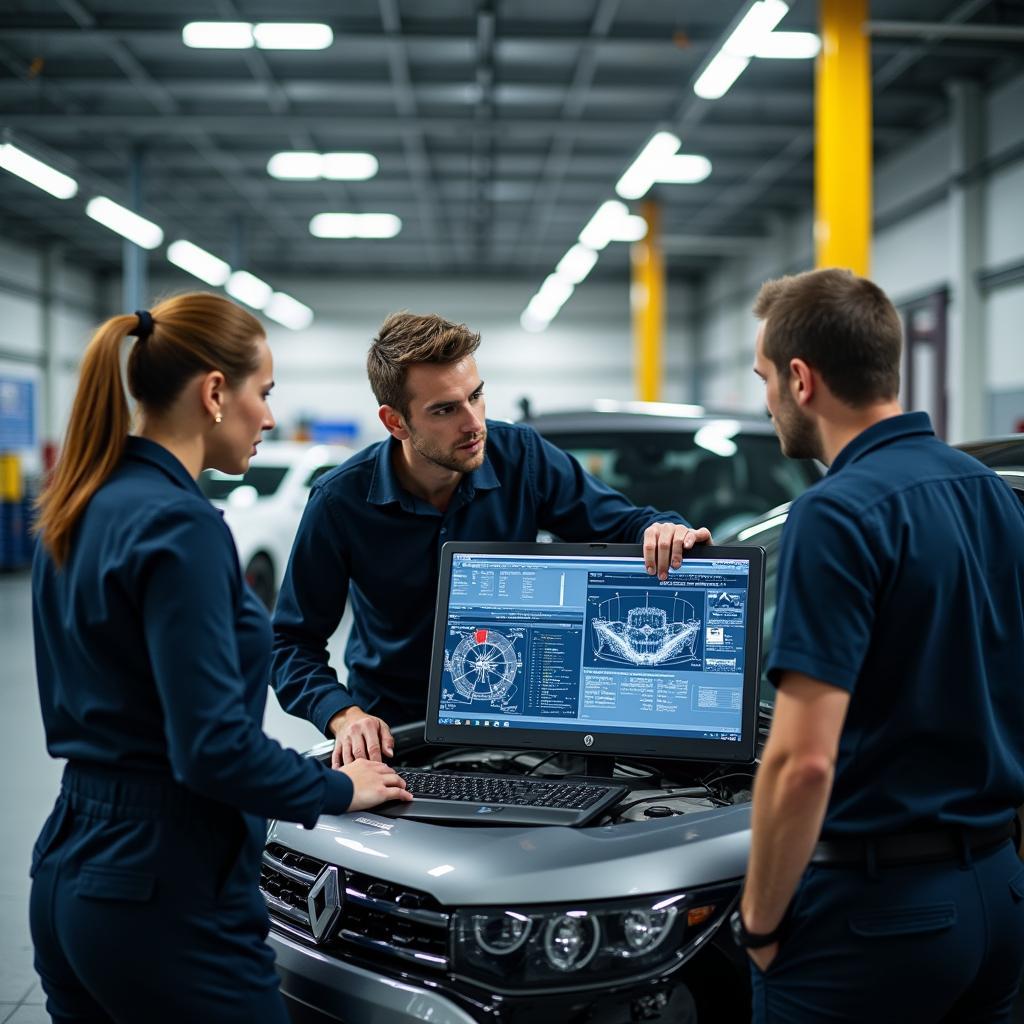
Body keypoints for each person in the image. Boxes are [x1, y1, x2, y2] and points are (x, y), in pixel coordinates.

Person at [29, 294, 412, 1024]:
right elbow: (212, 751)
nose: (269, 417)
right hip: (163, 889)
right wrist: (335, 786)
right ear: (213, 393)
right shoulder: (183, 527)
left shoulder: (78, 503)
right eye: (262, 393)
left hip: (70, 868)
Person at [732, 268, 1024, 1022]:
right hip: (997, 895)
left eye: (764, 378)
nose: (766, 401)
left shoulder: (834, 515)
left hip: (875, 922)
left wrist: (760, 925)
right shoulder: (984, 489)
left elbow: (802, 762)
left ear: (801, 379)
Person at [272, 311, 710, 767]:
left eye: (476, 396)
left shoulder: (523, 457)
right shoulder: (340, 502)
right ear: (395, 422)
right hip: (399, 739)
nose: (473, 422)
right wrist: (344, 716)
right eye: (445, 409)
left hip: (523, 731)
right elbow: (290, 643)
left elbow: (624, 525)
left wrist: (662, 530)